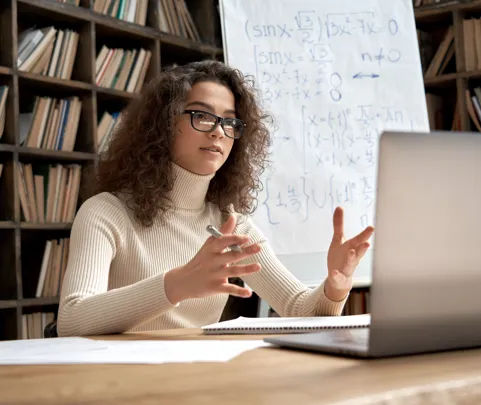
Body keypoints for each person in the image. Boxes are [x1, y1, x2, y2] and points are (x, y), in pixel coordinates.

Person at [57, 60, 374, 337]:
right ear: (164, 124)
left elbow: (299, 310)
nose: (219, 132)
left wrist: (336, 284)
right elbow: (72, 319)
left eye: (229, 121)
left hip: (200, 378)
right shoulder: (105, 212)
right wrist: (177, 284)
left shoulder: (232, 225)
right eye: (202, 115)